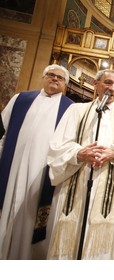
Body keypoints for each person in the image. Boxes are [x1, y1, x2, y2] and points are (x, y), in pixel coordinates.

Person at [46, 69, 114, 260]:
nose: (112, 88)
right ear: (96, 84)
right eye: (108, 83)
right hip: (76, 178)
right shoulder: (76, 110)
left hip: (111, 181)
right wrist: (79, 153)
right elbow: (57, 146)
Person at [0, 64, 73, 260]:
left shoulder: (70, 109)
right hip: (13, 164)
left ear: (65, 84)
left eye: (60, 78)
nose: (55, 79)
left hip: (43, 171)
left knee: (34, 211)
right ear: (44, 77)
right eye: (51, 75)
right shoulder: (21, 99)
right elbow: (3, 131)